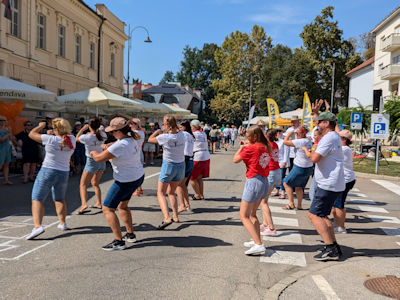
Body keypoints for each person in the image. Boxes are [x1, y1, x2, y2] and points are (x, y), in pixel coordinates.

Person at [91, 117, 144, 250]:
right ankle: (130, 234)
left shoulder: (121, 144)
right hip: (137, 176)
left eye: (113, 132)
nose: (111, 134)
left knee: (107, 208)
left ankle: (118, 241)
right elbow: (119, 144)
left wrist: (93, 152)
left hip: (125, 180)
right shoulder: (132, 137)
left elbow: (98, 158)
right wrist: (109, 146)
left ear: (119, 131)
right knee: (123, 206)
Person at [303, 112, 345, 261]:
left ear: (327, 124)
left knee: (313, 215)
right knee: (322, 215)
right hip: (331, 182)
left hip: (328, 183)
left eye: (319, 122)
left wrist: (307, 151)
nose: (317, 125)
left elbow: (314, 158)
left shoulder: (328, 137)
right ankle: (333, 245)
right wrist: (316, 112)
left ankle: (330, 248)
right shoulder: (333, 136)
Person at [26, 118, 76, 240]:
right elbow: (63, 138)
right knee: (59, 198)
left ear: (57, 129)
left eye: (53, 128)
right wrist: (52, 132)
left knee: (37, 198)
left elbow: (31, 134)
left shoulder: (51, 139)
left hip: (48, 170)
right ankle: (62, 223)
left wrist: (40, 126)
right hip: (64, 172)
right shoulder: (72, 139)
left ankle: (37, 226)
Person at [233, 126, 271, 255]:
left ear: (254, 137)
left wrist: (241, 148)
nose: (246, 138)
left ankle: (259, 244)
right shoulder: (265, 146)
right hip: (264, 181)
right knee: (252, 214)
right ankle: (256, 240)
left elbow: (235, 160)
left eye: (248, 136)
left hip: (254, 181)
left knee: (243, 216)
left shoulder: (251, 148)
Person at [148, 116, 185, 229]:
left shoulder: (164, 137)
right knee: (171, 192)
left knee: (160, 193)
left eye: (163, 124)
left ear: (167, 126)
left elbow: (150, 139)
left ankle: (166, 217)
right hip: (180, 165)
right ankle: (175, 216)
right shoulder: (182, 135)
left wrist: (157, 131)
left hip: (169, 165)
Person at [75, 118, 107, 214]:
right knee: (95, 183)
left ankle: (84, 204)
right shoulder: (102, 135)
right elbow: (102, 135)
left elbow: (76, 138)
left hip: (92, 160)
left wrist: (82, 129)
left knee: (83, 184)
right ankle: (98, 202)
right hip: (101, 160)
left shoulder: (86, 137)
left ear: (89, 126)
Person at [331, 130, 356, 234]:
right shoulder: (344, 148)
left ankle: (341, 227)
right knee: (334, 204)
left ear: (344, 139)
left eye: (339, 137)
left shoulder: (344, 149)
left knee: (339, 204)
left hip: (344, 180)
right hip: (343, 179)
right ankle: (337, 223)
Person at [282, 126, 313, 210]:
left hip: (300, 166)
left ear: (302, 133)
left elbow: (285, 142)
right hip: (309, 167)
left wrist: (289, 133)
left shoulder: (300, 141)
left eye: (297, 133)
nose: (296, 135)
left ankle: (291, 203)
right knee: (299, 186)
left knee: (286, 183)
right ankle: (299, 205)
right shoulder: (309, 140)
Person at [259, 129, 280, 235]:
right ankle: (265, 223)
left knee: (263, 202)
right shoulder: (275, 144)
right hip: (277, 171)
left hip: (271, 172)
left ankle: (271, 228)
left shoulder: (267, 145)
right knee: (265, 200)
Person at [176, 120, 195, 212]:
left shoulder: (183, 134)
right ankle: (187, 204)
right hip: (190, 160)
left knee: (178, 184)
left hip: (184, 159)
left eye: (180, 127)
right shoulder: (190, 135)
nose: (179, 129)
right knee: (183, 184)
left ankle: (182, 205)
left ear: (184, 127)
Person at [190, 120, 211, 200]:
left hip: (198, 155)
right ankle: (201, 194)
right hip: (205, 155)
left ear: (194, 127)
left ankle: (197, 194)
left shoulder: (194, 134)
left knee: (192, 177)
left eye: (191, 126)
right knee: (199, 177)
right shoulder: (203, 133)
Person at [270, 127, 290, 199]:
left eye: (279, 132)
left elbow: (286, 152)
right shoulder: (274, 142)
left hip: (281, 161)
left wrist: (285, 161)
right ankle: (277, 190)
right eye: (277, 132)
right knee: (277, 178)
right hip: (275, 162)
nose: (278, 133)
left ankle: (283, 192)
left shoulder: (283, 141)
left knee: (282, 177)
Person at [131, 118, 145, 196]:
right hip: (140, 153)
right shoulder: (141, 132)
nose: (130, 125)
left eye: (132, 123)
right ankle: (139, 188)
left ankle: (137, 189)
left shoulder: (134, 133)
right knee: (138, 172)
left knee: (135, 173)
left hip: (135, 154)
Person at [0, 116, 16, 185]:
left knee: (7, 164)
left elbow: (11, 139)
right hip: (1, 148)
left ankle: (6, 180)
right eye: (2, 120)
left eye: (5, 120)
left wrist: (10, 132)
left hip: (7, 148)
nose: (4, 122)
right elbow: (1, 140)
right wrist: (9, 133)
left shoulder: (7, 129)